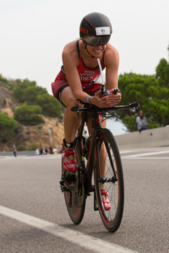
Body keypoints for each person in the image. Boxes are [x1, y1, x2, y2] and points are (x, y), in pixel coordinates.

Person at [51, 12, 121, 211]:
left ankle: (101, 189)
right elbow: (77, 92)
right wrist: (92, 100)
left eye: (103, 42)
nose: (100, 47)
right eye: (94, 43)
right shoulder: (70, 52)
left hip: (92, 88)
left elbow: (110, 88)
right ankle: (69, 146)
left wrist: (113, 96)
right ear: (83, 39)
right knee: (76, 103)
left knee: (99, 134)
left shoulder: (111, 54)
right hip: (68, 86)